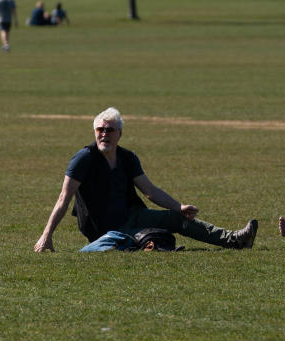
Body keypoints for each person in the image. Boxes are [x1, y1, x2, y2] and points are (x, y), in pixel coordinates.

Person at [33, 108, 258, 253]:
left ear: (119, 133)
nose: (104, 134)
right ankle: (143, 245)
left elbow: (150, 191)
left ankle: (235, 240)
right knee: (129, 242)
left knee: (176, 219)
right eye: (100, 130)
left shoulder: (127, 157)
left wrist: (179, 207)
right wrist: (46, 236)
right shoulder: (83, 159)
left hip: (132, 215)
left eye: (109, 130)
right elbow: (64, 198)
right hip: (105, 229)